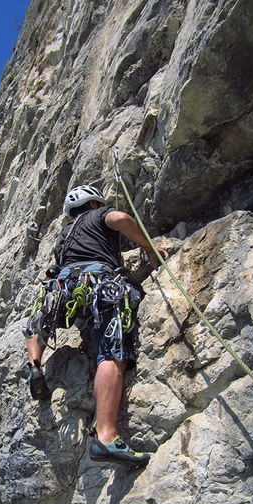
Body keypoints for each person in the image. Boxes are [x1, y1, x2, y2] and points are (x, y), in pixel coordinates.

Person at [25, 185, 168, 467]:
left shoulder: (64, 235)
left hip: (63, 286)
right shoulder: (99, 214)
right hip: (98, 282)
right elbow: (123, 220)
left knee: (40, 320)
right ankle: (106, 436)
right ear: (94, 204)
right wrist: (149, 247)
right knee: (112, 353)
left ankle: (34, 365)